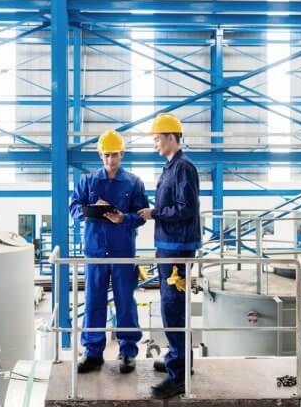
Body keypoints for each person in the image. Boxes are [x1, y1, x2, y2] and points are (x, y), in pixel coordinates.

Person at [69, 130, 150, 374]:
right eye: (106, 155)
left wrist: (124, 218)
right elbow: (74, 207)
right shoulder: (88, 181)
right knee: (94, 301)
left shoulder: (134, 183)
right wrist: (90, 209)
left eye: (114, 155)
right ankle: (93, 353)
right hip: (95, 251)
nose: (110, 160)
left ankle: (127, 352)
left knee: (125, 302)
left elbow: (142, 215)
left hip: (122, 251)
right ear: (100, 155)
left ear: (122, 154)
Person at [137, 113, 201, 399]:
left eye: (157, 139)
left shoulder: (183, 168)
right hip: (169, 245)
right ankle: (179, 359)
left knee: (173, 309)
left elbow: (186, 208)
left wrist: (155, 213)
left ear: (171, 137)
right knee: (172, 307)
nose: (155, 144)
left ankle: (179, 377)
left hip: (177, 248)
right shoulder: (171, 167)